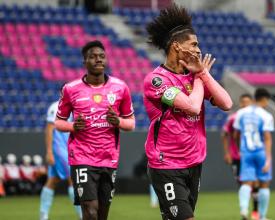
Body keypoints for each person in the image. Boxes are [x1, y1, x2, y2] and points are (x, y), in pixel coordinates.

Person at [143, 4, 233, 220]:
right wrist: (200, 75)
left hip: (193, 163)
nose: (197, 49)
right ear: (176, 46)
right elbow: (192, 106)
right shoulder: (157, 80)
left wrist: (203, 74)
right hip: (166, 164)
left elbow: (227, 103)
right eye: (193, 44)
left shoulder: (195, 78)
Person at [55, 40, 135, 220]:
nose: (98, 60)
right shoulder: (71, 89)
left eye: (102, 56)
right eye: (93, 57)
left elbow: (131, 123)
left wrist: (118, 122)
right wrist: (73, 126)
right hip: (82, 157)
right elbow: (58, 122)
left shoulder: (121, 87)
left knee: (102, 214)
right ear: (84, 62)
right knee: (90, 210)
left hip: (108, 158)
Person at [233, 88, 274, 220]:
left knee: (246, 183)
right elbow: (267, 137)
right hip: (260, 151)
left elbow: (236, 134)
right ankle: (262, 216)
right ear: (264, 99)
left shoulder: (241, 113)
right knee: (264, 183)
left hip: (246, 152)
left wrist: (240, 149)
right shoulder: (266, 115)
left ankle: (244, 209)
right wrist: (268, 159)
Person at [39, 101, 82, 220]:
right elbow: (49, 129)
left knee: (52, 180)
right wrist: (49, 152)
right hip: (59, 149)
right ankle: (82, 215)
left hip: (70, 148)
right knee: (73, 180)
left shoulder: (76, 107)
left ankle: (43, 215)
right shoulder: (55, 107)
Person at [222, 93, 261, 220]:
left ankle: (255, 211)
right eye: (243, 102)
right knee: (242, 183)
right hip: (237, 157)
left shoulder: (256, 117)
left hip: (253, 155)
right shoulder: (234, 118)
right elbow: (224, 134)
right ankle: (244, 210)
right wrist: (227, 153)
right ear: (240, 103)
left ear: (252, 103)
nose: (245, 104)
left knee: (255, 184)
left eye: (247, 102)